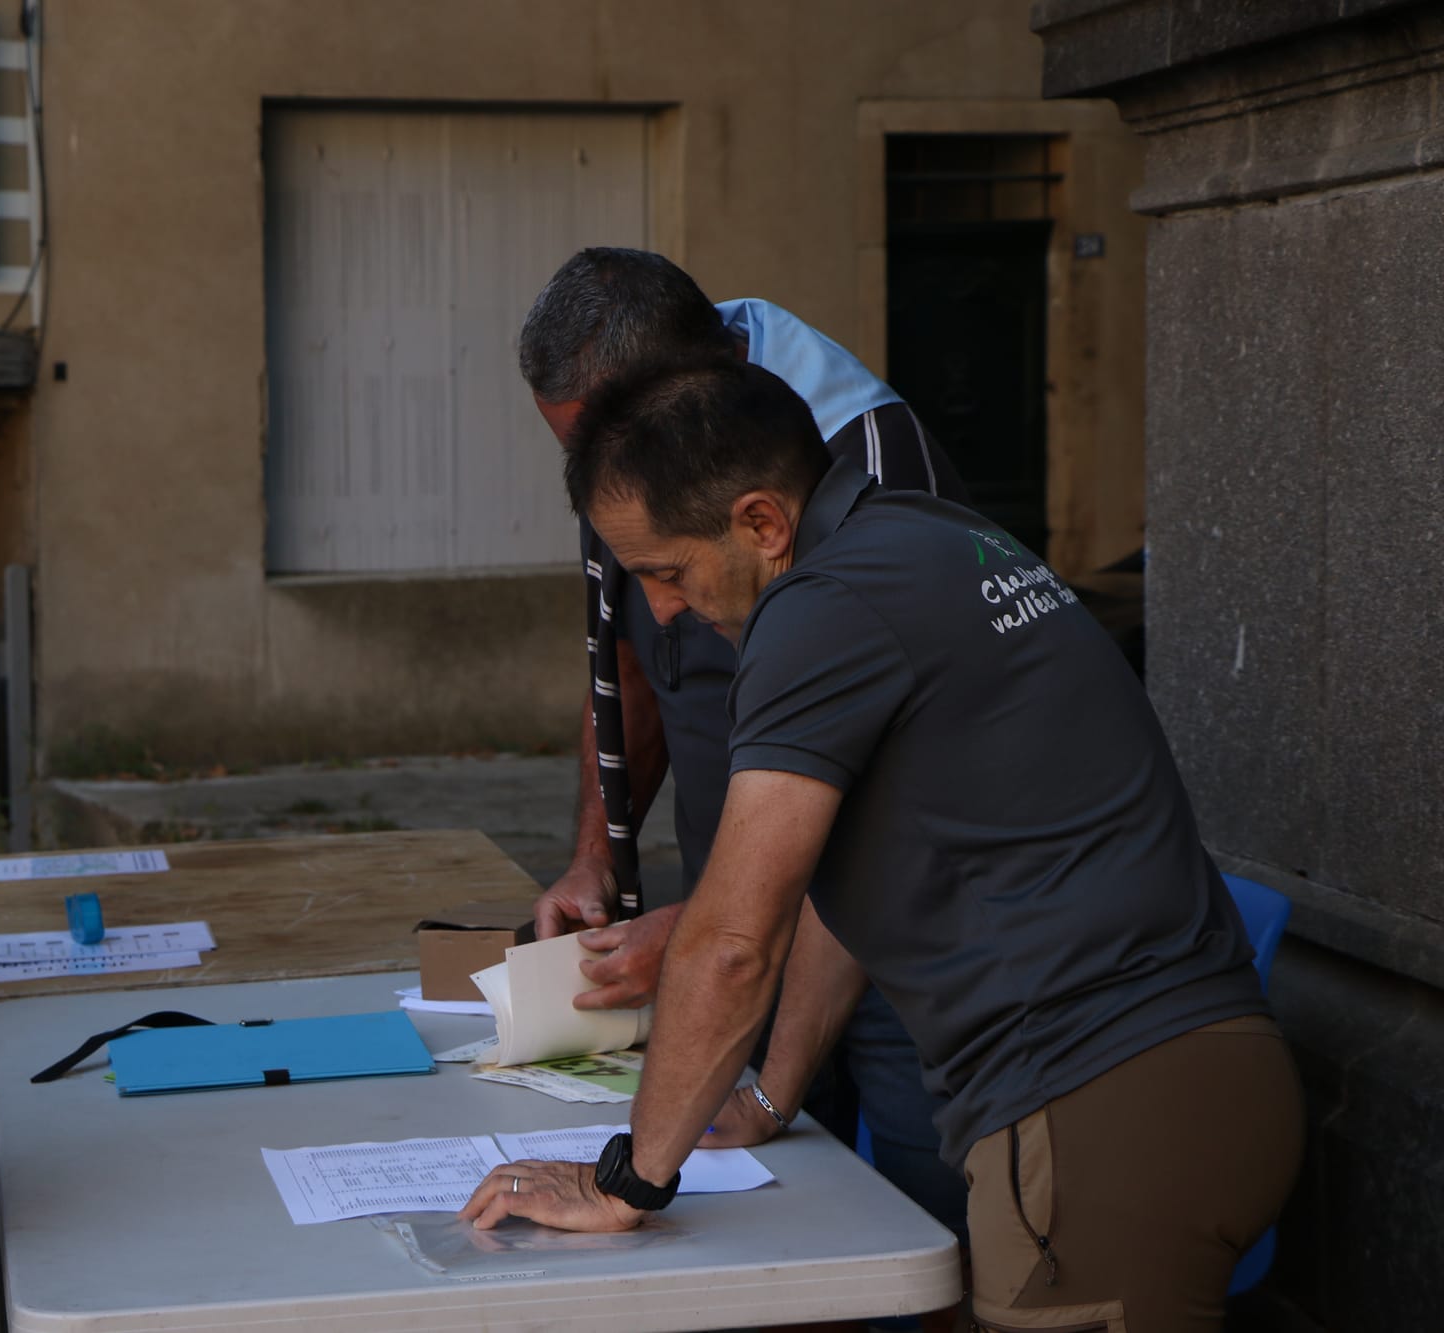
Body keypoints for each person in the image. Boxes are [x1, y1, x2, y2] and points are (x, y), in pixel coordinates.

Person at [460, 358, 1303, 1332]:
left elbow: (731, 943)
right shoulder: (931, 535)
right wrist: (770, 1098)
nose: (658, 611)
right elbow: (837, 884)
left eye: (665, 571)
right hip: (1199, 1083)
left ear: (761, 524)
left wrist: (627, 1182)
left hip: (1092, 1116)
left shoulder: (818, 612)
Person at [518, 248, 972, 1248]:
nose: (665, 602)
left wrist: (703, 930)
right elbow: (630, 662)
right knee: (771, 1216)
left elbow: (892, 794)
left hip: (891, 947)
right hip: (752, 923)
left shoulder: (870, 468)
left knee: (914, 1233)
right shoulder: (634, 448)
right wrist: (600, 850)